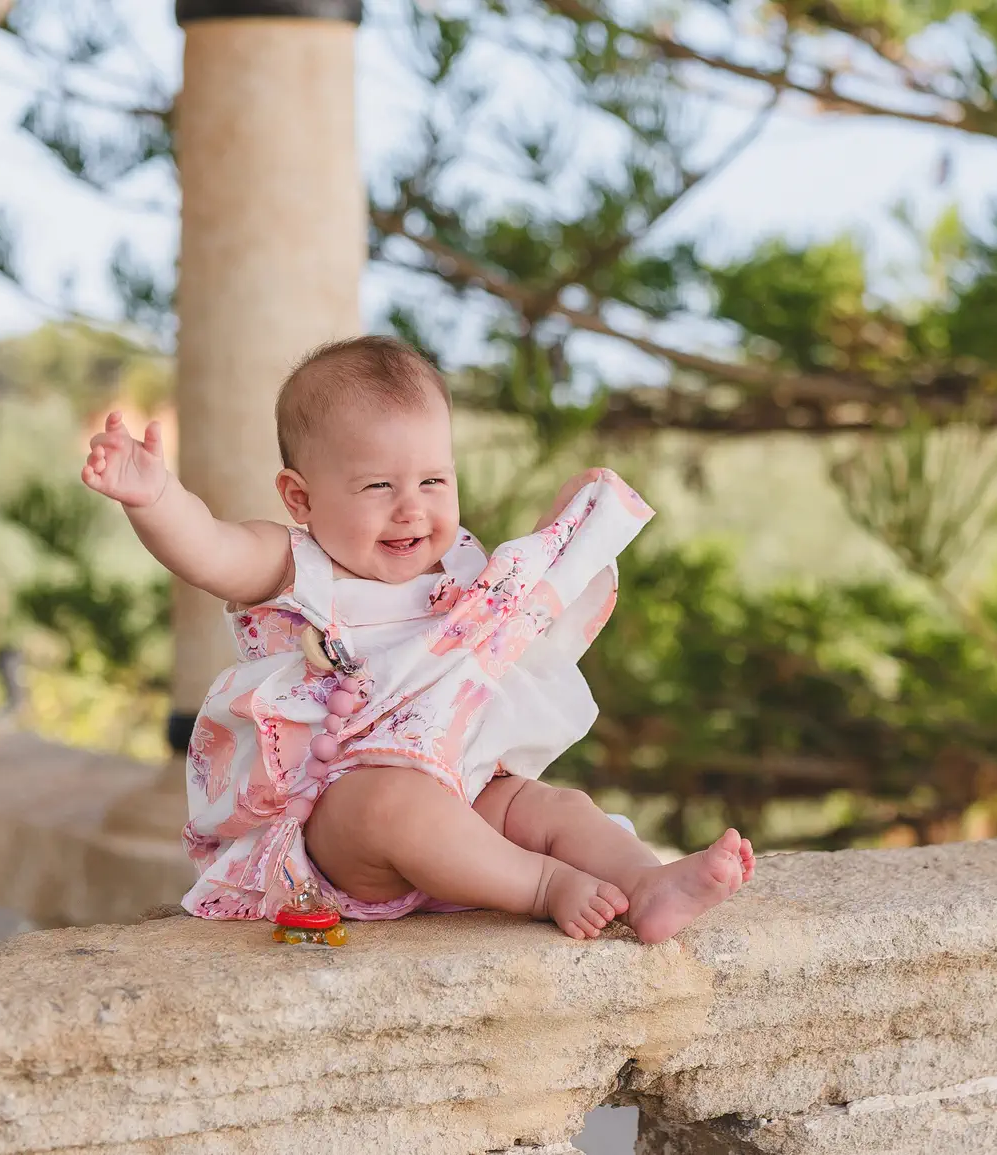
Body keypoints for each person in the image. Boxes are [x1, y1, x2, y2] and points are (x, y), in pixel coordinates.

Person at [81, 335, 753, 943]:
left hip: (462, 787)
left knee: (551, 805)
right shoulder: (294, 565)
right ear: (300, 497)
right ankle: (542, 885)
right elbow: (209, 548)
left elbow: (512, 626)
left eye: (434, 480)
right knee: (393, 804)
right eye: (378, 485)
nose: (413, 507)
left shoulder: (457, 563)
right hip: (341, 816)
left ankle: (649, 882)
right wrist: (154, 497)